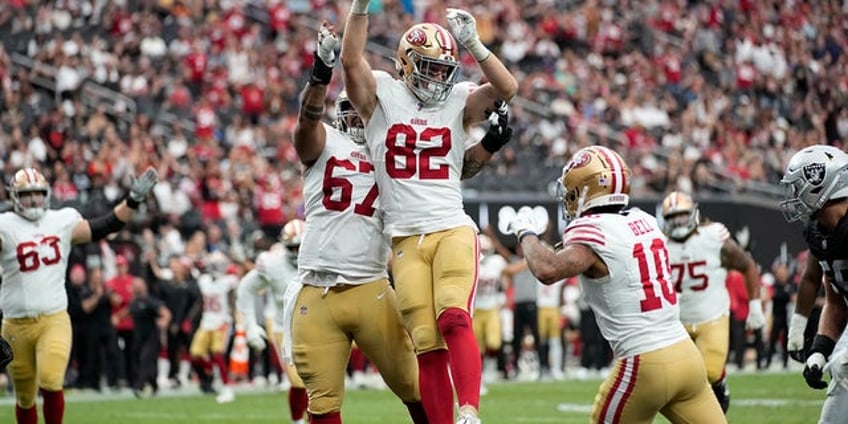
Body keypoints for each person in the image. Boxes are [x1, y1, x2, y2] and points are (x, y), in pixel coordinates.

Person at [341, 3, 518, 422]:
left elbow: (506, 89)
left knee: (454, 317)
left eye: (444, 69)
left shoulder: (458, 100)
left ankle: (470, 412)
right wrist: (359, 8)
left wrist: (474, 43)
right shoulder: (382, 93)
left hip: (450, 227)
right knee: (426, 343)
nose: (438, 77)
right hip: (404, 237)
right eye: (429, 67)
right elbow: (350, 60)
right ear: (405, 64)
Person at [504, 146, 726, 423]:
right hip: (686, 355)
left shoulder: (594, 231)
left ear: (587, 190)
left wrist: (525, 232)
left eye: (572, 191)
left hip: (643, 361)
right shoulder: (643, 220)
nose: (569, 199)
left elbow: (547, 269)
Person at [284, 22, 427, 424]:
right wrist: (320, 72)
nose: (353, 118)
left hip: (371, 286)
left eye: (357, 109)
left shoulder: (393, 153)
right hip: (316, 286)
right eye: (344, 109)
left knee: (414, 389)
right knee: (322, 402)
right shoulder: (325, 141)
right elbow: (306, 121)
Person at [0, 166, 157, 424]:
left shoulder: (60, 220)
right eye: (27, 195)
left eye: (38, 194)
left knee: (51, 379)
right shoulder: (5, 225)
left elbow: (106, 225)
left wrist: (133, 200)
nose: (34, 200)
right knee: (25, 396)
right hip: (15, 323)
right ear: (14, 197)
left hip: (53, 318)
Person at [659, 191, 765, 412]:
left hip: (712, 316)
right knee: (673, 380)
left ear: (693, 214)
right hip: (675, 322)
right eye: (672, 217)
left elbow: (747, 265)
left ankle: (719, 393)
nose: (678, 222)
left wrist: (755, 307)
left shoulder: (713, 236)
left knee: (711, 371)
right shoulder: (659, 245)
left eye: (682, 216)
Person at [778, 145, 848, 423]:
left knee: (844, 368)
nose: (794, 195)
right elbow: (836, 302)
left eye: (799, 186)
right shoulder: (823, 234)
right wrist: (820, 349)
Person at [235, 220, 308, 424]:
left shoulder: (322, 258)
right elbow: (246, 288)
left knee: (320, 382)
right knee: (298, 381)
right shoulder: (273, 263)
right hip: (283, 326)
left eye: (300, 247)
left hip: (314, 325)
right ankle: (298, 422)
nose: (296, 252)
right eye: (292, 247)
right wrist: (250, 326)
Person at [188, 251, 239, 403]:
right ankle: (211, 370)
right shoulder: (204, 280)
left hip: (222, 322)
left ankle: (227, 387)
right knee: (195, 355)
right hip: (206, 322)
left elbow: (232, 298)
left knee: (218, 354)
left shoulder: (228, 281)